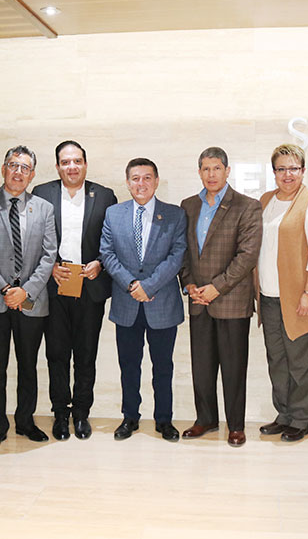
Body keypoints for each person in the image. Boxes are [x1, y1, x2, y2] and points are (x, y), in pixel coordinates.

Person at [0, 145, 57, 452]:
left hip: (31, 300)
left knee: (28, 365)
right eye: (13, 165)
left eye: (25, 168)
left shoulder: (43, 208)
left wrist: (25, 291)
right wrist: (6, 289)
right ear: (3, 169)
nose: (19, 172)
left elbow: (49, 255)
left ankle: (26, 421)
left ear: (32, 175)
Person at [31, 141, 117, 440]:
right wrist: (50, 267)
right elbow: (31, 238)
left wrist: (100, 263)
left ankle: (81, 413)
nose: (72, 167)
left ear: (85, 164)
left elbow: (113, 240)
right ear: (57, 166)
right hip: (54, 287)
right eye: (66, 162)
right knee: (56, 354)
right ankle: (60, 414)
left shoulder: (104, 195)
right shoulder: (41, 193)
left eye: (77, 161)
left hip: (89, 286)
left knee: (86, 354)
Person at [179, 147, 262, 447]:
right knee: (201, 367)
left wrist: (217, 287)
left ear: (227, 171)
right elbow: (183, 250)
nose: (211, 174)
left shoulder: (247, 206)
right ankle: (206, 419)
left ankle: (236, 425)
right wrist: (189, 283)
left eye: (217, 168)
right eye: (206, 169)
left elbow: (247, 255)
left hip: (231, 300)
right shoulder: (188, 206)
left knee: (233, 368)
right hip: (198, 300)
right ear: (199, 172)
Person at [99, 157, 187, 442]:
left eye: (147, 178)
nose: (141, 183)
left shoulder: (175, 214)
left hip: (162, 303)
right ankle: (130, 417)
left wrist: (148, 286)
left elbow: (177, 256)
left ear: (156, 181)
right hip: (126, 305)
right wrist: (131, 285)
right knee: (129, 366)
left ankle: (164, 420)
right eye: (135, 178)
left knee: (163, 367)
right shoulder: (113, 214)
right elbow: (107, 254)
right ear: (127, 182)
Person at [257, 144, 308, 442]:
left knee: (300, 362)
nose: (287, 174)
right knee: (277, 361)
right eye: (281, 169)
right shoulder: (265, 201)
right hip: (269, 297)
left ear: (303, 171)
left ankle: (301, 419)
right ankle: (284, 414)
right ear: (273, 172)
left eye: (293, 168)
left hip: (301, 298)